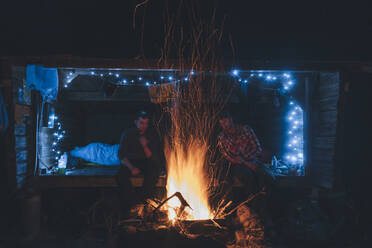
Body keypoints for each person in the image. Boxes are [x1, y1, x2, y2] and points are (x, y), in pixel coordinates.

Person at [217, 111, 275, 197]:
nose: (224, 125)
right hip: (237, 164)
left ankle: (265, 197)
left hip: (252, 159)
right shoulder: (222, 137)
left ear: (230, 119)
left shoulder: (246, 130)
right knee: (247, 175)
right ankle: (252, 199)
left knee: (268, 175)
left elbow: (257, 148)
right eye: (221, 123)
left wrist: (246, 159)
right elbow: (227, 155)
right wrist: (244, 162)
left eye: (225, 122)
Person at [116, 111, 162, 215]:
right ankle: (132, 202)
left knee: (153, 171)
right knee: (120, 175)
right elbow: (121, 155)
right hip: (130, 161)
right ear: (136, 122)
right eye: (141, 123)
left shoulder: (150, 134)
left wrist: (145, 145)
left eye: (146, 123)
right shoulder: (128, 134)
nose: (144, 126)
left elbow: (152, 157)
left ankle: (144, 201)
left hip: (145, 162)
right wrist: (132, 168)